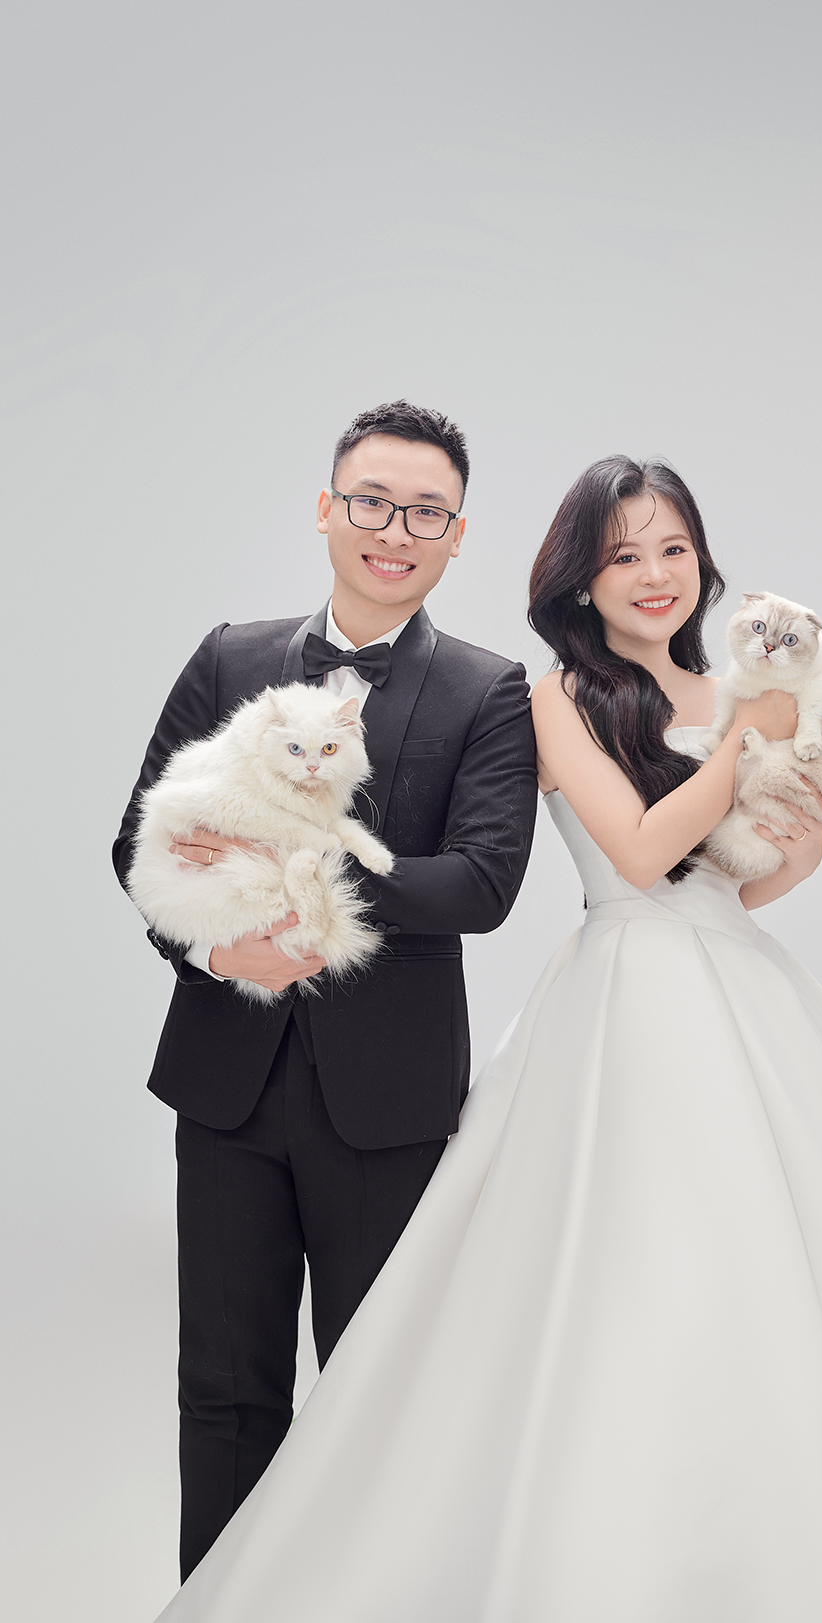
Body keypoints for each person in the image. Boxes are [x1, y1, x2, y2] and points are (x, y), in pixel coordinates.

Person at [153, 457, 822, 1621]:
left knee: (780, 1286)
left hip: (745, 989)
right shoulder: (553, 700)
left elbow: (741, 881)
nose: (654, 574)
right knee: (613, 1278)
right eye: (623, 554)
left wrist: (798, 831)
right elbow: (639, 856)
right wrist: (748, 745)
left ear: (703, 562)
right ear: (580, 581)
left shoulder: (732, 691)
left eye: (673, 549)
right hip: (622, 994)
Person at [113, 401, 538, 1581]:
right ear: (326, 509)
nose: (393, 530)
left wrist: (293, 858)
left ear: (457, 535)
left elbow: (481, 884)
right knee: (224, 1389)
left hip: (388, 1099)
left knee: (379, 1396)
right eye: (372, 502)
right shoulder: (229, 658)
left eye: (425, 513)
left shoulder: (489, 689)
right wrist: (216, 953)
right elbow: (139, 844)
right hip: (226, 1083)